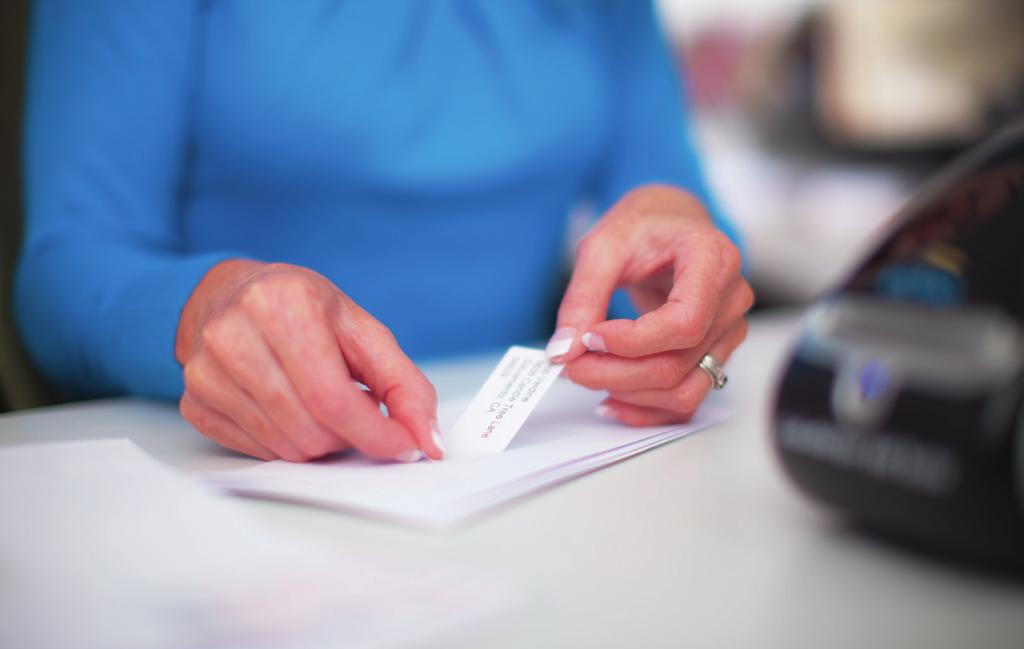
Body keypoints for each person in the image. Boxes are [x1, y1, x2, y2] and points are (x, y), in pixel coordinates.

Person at [16, 1, 752, 464]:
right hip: (226, 475)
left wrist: (685, 288)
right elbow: (65, 265)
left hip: (527, 474)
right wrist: (202, 307)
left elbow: (676, 210)